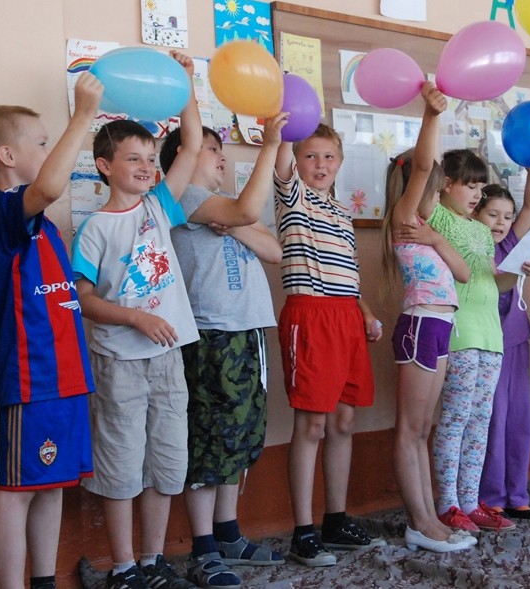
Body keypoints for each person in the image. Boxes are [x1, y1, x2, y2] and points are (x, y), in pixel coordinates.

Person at [71, 51, 201, 589]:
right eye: (134, 158)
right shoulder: (94, 228)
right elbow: (81, 298)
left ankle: (153, 560)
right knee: (122, 464)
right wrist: (134, 318)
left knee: (166, 463)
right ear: (105, 166)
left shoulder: (159, 207)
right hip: (119, 362)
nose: (147, 167)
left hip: (167, 359)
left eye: (151, 158)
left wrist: (187, 84)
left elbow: (191, 144)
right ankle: (124, 567)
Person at [0, 69, 103, 589]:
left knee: (53, 485)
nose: (50, 151)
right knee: (18, 488)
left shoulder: (45, 229)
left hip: (67, 379)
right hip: (32, 381)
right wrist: (83, 116)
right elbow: (48, 185)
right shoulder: (0, 211)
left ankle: (44, 581)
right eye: (42, 142)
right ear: (8, 155)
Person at [158, 113, 289, 586]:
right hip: (212, 335)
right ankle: (203, 548)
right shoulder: (185, 198)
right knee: (209, 439)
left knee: (239, 436)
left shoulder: (227, 208)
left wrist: (232, 225)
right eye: (213, 149)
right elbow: (250, 216)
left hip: (247, 330)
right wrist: (270, 145)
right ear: (185, 156)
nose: (222, 158)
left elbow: (273, 251)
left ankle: (229, 533)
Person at [274, 121, 385, 567]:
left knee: (342, 420)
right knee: (311, 425)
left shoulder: (341, 211)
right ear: (296, 161)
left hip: (346, 318)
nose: (320, 165)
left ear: (340, 162)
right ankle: (302, 532)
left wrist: (366, 313)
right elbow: (283, 160)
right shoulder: (293, 196)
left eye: (329, 156)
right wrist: (284, 128)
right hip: (310, 315)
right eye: (310, 156)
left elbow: (350, 277)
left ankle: (335, 520)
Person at [426, 125, 530, 535]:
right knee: (456, 419)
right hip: (460, 333)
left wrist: (518, 270)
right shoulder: (436, 216)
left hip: (492, 336)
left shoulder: (479, 230)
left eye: (479, 187)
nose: (476, 194)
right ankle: (447, 505)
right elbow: (422, 175)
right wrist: (432, 118)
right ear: (445, 185)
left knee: (479, 422)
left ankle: (472, 503)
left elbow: (492, 281)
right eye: (469, 186)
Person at [380, 84, 474, 554]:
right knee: (411, 429)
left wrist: (437, 239)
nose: (435, 199)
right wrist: (431, 115)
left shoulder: (427, 230)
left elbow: (463, 273)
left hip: (439, 327)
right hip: (420, 325)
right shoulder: (404, 219)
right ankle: (419, 523)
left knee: (423, 429)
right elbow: (421, 166)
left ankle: (429, 518)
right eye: (434, 192)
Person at [476, 169, 530, 520]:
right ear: (475, 212)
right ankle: (492, 496)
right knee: (494, 418)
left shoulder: (512, 243)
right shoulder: (471, 245)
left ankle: (518, 493)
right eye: (492, 214)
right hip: (486, 342)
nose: (501, 222)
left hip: (515, 339)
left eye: (506, 216)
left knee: (519, 418)